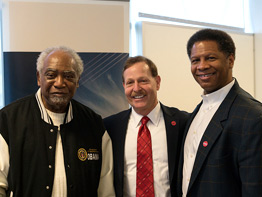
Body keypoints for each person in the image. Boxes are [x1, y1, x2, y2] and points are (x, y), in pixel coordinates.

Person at [0, 46, 115, 197]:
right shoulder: (9, 120)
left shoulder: (94, 124)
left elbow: (105, 190)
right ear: (39, 78)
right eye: (51, 75)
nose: (60, 83)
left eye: (68, 76)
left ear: (78, 81)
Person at [177, 29, 262, 197]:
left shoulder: (253, 116)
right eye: (195, 60)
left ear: (230, 60)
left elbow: (255, 189)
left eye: (210, 58)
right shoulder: (197, 112)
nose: (202, 66)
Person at [103, 56, 189, 197]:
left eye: (143, 81)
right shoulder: (111, 126)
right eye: (130, 83)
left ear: (158, 82)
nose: (136, 88)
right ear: (124, 86)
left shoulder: (183, 122)